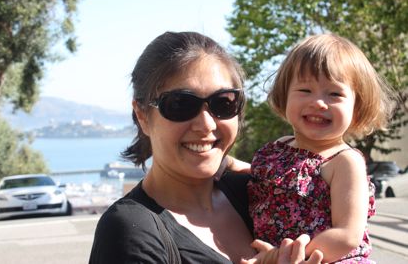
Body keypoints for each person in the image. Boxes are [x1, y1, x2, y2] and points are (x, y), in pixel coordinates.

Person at [89, 31, 323, 263]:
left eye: (223, 103)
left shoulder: (258, 195)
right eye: (181, 104)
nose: (206, 124)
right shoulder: (131, 230)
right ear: (142, 115)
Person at [229, 33, 396, 263]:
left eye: (335, 94)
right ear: (285, 95)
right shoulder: (280, 147)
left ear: (357, 107)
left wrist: (281, 256)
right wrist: (230, 164)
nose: (318, 102)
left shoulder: (344, 162)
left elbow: (347, 235)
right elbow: (271, 181)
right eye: (305, 90)